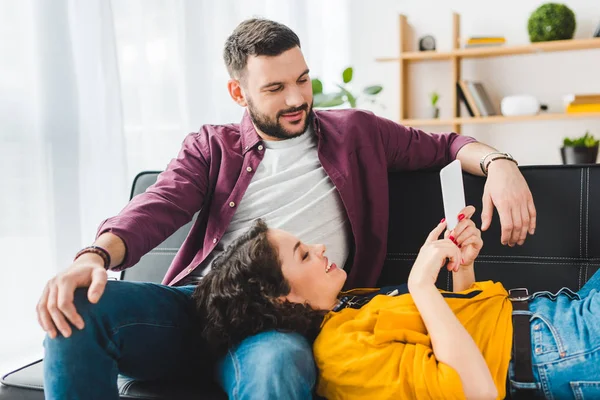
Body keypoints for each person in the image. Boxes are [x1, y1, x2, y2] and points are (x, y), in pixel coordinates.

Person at [36, 18, 537, 400]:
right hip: (201, 305)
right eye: (275, 89)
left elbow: (447, 145)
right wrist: (94, 256)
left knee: (277, 364)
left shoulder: (358, 133)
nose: (297, 98)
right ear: (240, 92)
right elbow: (159, 204)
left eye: (302, 79)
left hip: (284, 321)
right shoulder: (213, 147)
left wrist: (499, 163)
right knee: (78, 305)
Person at [194, 212, 600, 400]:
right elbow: (474, 389)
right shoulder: (340, 355)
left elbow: (461, 338)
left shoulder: (350, 303)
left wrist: (462, 269)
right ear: (282, 298)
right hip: (559, 348)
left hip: (558, 318)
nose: (319, 248)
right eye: (302, 255)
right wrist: (420, 285)